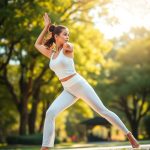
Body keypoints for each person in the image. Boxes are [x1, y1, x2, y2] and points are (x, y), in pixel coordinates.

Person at [34, 13, 140, 150]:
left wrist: (62, 38)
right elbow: (37, 44)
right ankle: (46, 148)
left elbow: (68, 46)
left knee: (102, 111)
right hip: (68, 89)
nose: (67, 37)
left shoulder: (68, 48)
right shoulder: (52, 54)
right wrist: (47, 27)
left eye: (68, 34)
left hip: (79, 84)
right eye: (65, 34)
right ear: (56, 36)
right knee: (50, 113)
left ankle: (129, 135)